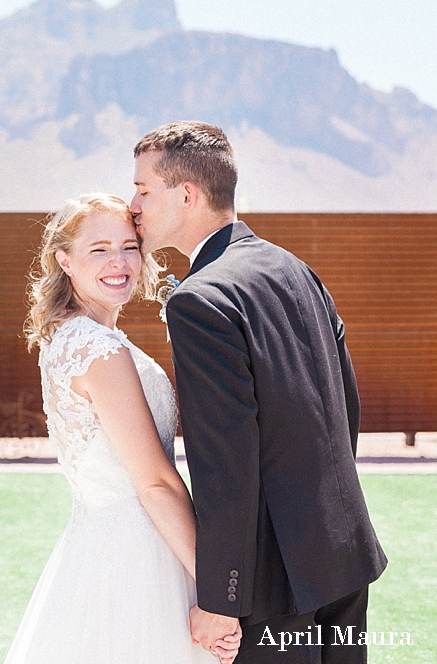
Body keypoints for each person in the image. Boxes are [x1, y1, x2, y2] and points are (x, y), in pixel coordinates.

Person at [130, 121, 388, 663]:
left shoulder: (200, 300)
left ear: (187, 194)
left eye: (143, 189)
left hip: (274, 587)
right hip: (342, 558)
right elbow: (345, 408)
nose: (134, 205)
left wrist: (221, 598)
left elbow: (225, 460)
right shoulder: (296, 271)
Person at [5, 194, 240, 663]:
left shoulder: (74, 337)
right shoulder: (97, 349)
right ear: (64, 261)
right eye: (99, 249)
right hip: (138, 558)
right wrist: (218, 596)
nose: (120, 262)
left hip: (102, 542)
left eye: (129, 246)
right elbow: (153, 482)